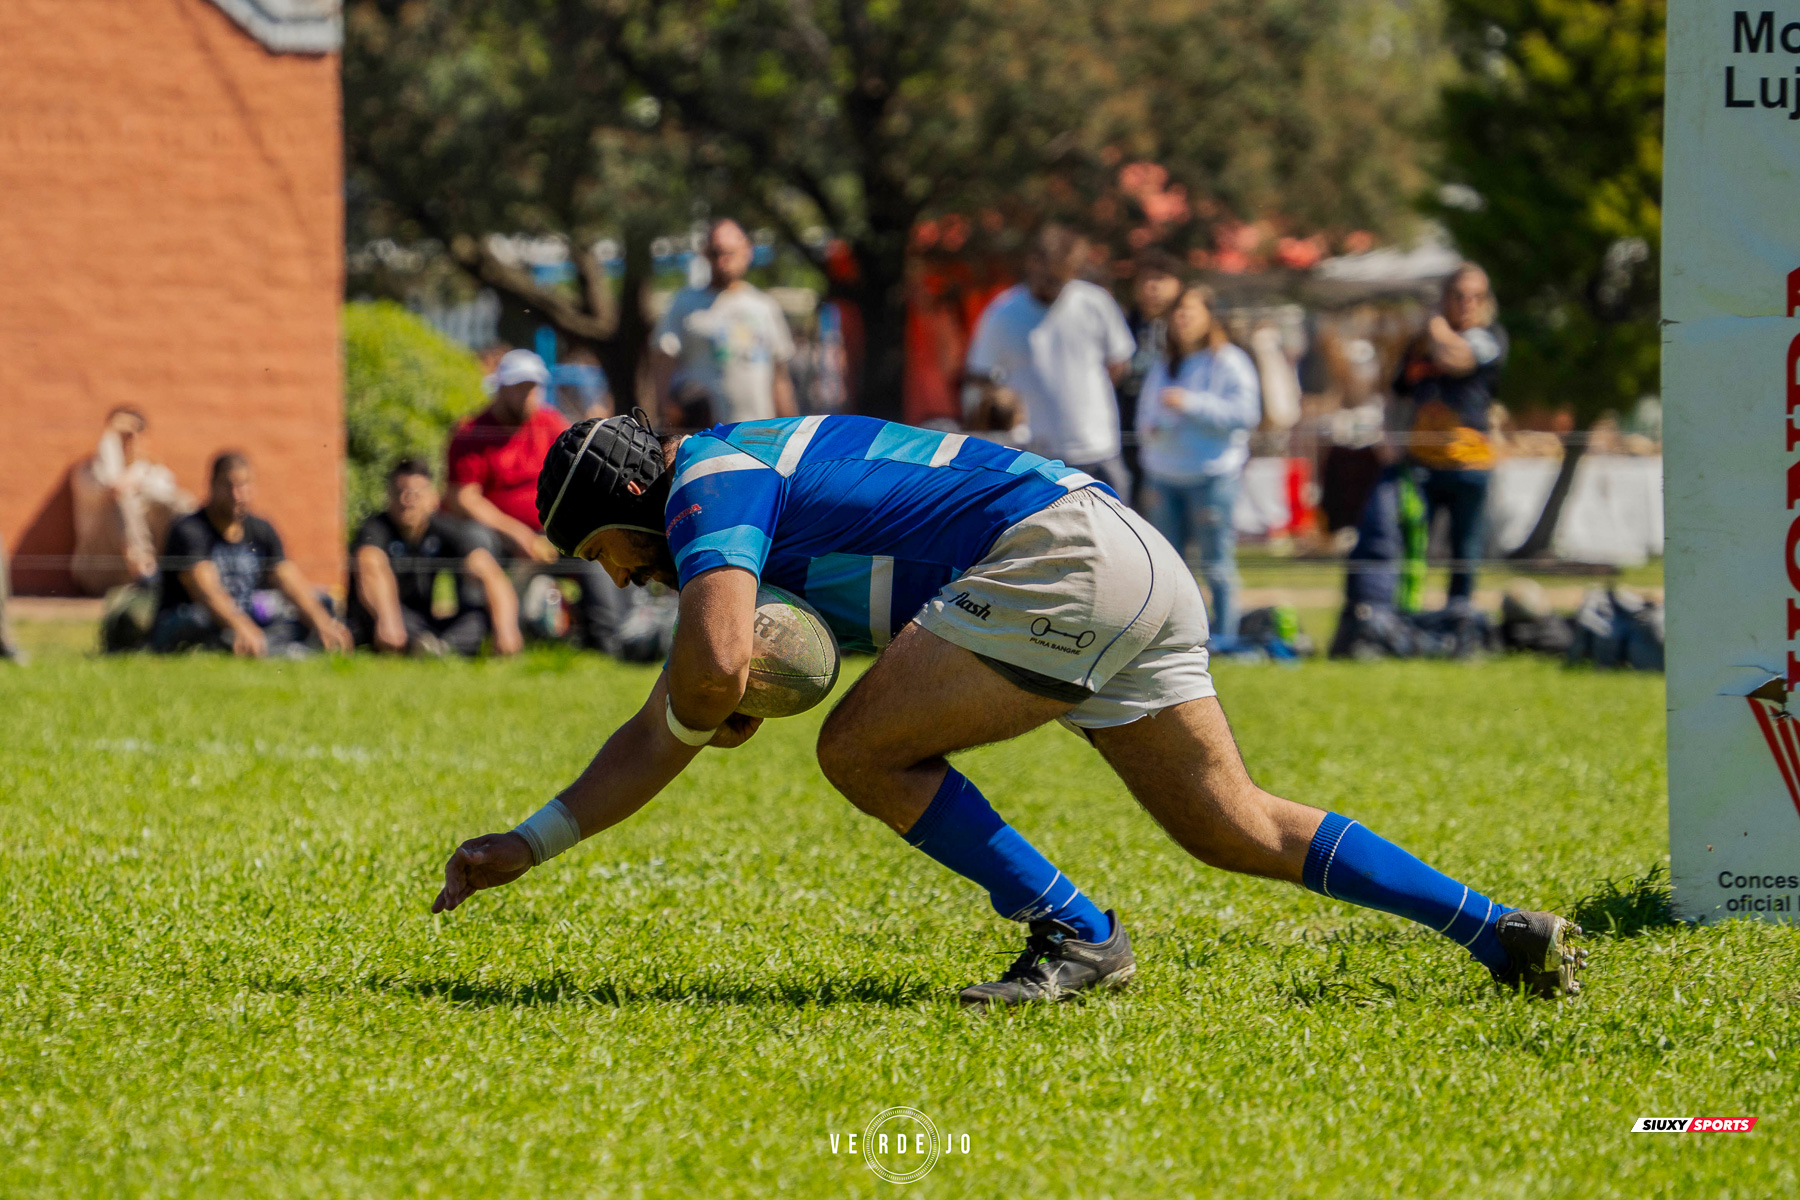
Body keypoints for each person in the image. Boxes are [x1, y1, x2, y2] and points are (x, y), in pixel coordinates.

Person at [431, 412, 1588, 1005]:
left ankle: (1079, 934)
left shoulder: (708, 482)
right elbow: (683, 710)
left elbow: (706, 677)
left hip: (1055, 561)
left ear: (635, 495)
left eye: (608, 553)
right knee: (1229, 822)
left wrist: (728, 692)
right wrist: (529, 845)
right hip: (1123, 547)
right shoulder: (744, 486)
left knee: (861, 752)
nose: (625, 580)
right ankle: (1499, 931)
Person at [444, 348, 647, 656]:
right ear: (501, 387)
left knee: (597, 545)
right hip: (499, 535)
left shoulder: (551, 425)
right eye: (520, 387)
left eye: (533, 386)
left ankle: (611, 642)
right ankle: (482, 636)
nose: (529, 395)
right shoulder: (473, 432)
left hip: (550, 531)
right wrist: (517, 535)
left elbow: (579, 479)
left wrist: (560, 529)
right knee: (475, 540)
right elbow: (462, 498)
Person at [963, 223, 1136, 496]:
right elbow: (981, 374)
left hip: (1097, 448)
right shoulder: (1004, 311)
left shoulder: (1095, 303)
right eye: (1046, 276)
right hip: (1033, 453)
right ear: (1032, 264)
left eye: (1060, 278)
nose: (1051, 285)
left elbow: (1118, 362)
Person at [1136, 283, 1261, 642]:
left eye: (1190, 310)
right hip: (1163, 475)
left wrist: (1192, 404)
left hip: (1212, 476)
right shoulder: (1164, 365)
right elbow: (1146, 415)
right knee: (1166, 566)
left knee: (1216, 562)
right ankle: (1176, 637)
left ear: (1210, 315)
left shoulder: (1229, 361)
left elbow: (1247, 413)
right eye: (1177, 312)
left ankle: (1224, 636)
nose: (1183, 318)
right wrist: (1154, 428)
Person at [150, 453, 351, 656]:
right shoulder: (190, 529)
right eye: (229, 486)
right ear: (212, 485)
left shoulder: (261, 529)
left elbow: (286, 577)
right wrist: (241, 627)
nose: (237, 495)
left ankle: (267, 646)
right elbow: (205, 590)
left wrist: (323, 624)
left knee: (317, 603)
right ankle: (276, 648)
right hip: (199, 617)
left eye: (244, 485)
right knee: (199, 618)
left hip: (244, 616)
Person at [1394, 264, 1508, 605]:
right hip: (1422, 461)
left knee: (1465, 550)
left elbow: (1458, 358)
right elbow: (1397, 385)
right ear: (1446, 298)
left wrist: (1435, 327)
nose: (1467, 303)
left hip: (1469, 464)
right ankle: (1406, 616)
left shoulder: (1491, 336)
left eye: (1476, 296)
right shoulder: (1419, 344)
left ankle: (1459, 619)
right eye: (1459, 296)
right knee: (1411, 544)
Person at [347, 459, 523, 657]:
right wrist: (388, 622)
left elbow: (488, 571)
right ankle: (430, 646)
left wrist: (507, 629)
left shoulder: (444, 528)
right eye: (400, 492)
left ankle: (439, 647)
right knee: (385, 620)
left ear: (432, 498)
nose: (407, 500)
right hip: (385, 617)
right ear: (389, 496)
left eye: (416, 494)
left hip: (421, 621)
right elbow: (370, 566)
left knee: (479, 618)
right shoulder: (375, 529)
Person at [650, 219, 798, 429]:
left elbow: (779, 375)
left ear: (747, 251)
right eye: (715, 253)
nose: (722, 261)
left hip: (759, 433)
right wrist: (665, 414)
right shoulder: (685, 303)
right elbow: (663, 359)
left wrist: (791, 425)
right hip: (704, 434)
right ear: (705, 255)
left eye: (730, 252)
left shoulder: (764, 306)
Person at [69, 407, 194, 595]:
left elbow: (177, 504)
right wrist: (111, 438)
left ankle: (193, 569)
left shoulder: (157, 473)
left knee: (182, 501)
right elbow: (113, 486)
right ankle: (144, 571)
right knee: (122, 499)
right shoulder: (88, 473)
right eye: (121, 435)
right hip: (99, 569)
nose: (127, 440)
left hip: (151, 566)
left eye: (133, 433)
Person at [1115, 249, 1185, 508]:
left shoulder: (1188, 326)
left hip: (1177, 434)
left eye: (1160, 278)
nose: (1152, 286)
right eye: (1145, 279)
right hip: (1128, 429)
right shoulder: (1122, 324)